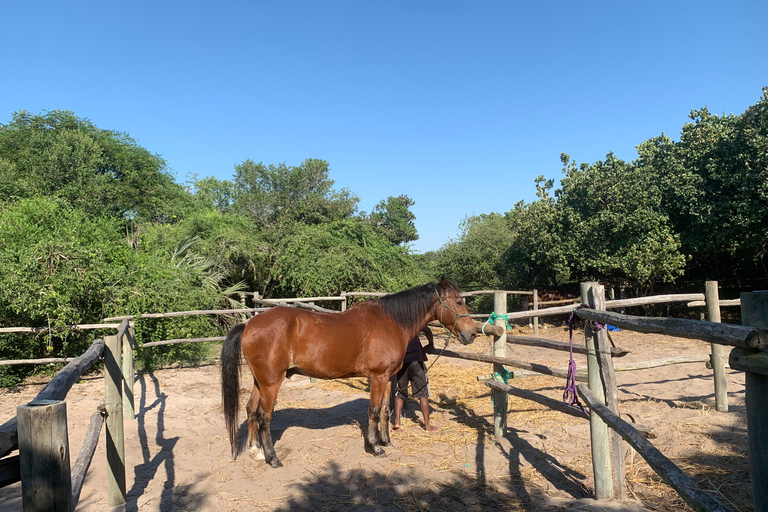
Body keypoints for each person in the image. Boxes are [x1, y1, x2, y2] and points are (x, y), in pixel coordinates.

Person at [390, 326, 438, 432]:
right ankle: (427, 426)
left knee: (400, 393)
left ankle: (397, 422)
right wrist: (431, 344)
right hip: (416, 359)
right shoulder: (414, 319)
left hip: (402, 361)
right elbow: (427, 330)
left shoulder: (395, 321)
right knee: (423, 394)